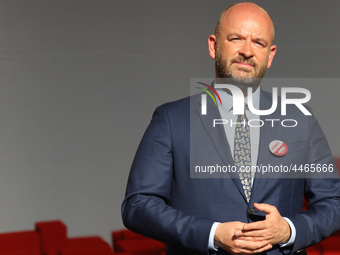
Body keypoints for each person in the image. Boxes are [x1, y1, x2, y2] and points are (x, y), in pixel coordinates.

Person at [121, 2, 340, 255]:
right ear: (213, 46)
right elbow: (138, 205)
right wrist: (212, 233)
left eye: (258, 42)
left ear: (270, 56)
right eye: (236, 38)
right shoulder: (171, 120)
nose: (247, 51)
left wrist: (289, 230)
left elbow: (333, 203)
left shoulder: (300, 118)